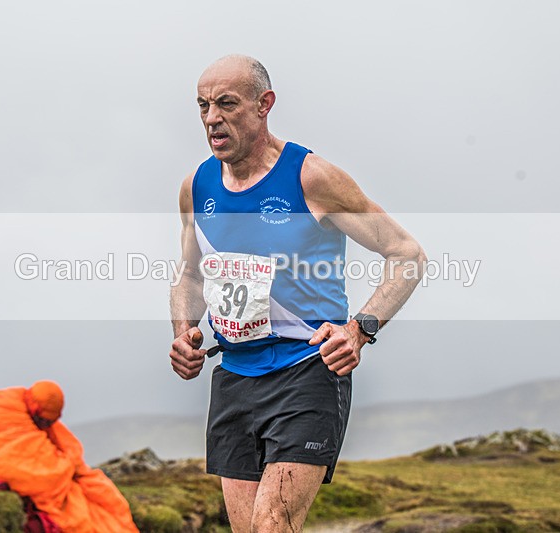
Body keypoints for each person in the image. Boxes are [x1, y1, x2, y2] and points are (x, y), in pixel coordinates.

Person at [169, 55, 427, 532]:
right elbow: (190, 276)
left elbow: (407, 254)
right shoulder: (196, 185)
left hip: (306, 371)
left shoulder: (312, 178)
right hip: (234, 376)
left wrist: (360, 330)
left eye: (226, 104)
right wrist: (184, 333)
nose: (211, 119)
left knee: (273, 524)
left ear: (264, 104)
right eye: (203, 106)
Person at [0, 380, 139, 533]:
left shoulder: (23, 408)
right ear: (35, 409)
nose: (46, 427)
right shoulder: (6, 408)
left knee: (97, 491)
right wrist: (64, 466)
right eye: (43, 421)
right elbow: (38, 473)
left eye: (49, 423)